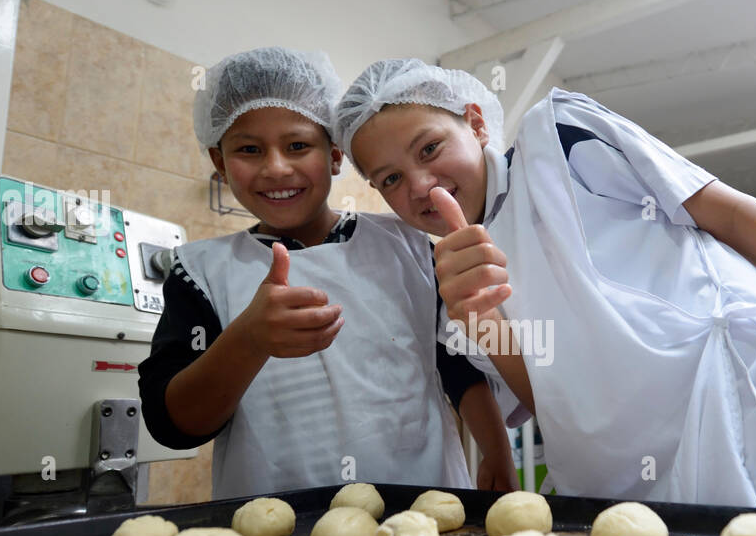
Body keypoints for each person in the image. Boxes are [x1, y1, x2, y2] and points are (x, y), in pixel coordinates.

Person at [332, 59, 756, 516]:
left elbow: (730, 213)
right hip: (645, 501)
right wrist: (482, 321)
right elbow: (553, 400)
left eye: (428, 149)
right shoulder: (450, 271)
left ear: (476, 124)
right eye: (389, 178)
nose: (418, 185)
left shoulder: (557, 143)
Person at [138, 48, 516, 500]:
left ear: (335, 156)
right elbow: (172, 426)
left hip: (424, 509)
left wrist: (496, 450)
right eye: (248, 150)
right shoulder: (200, 271)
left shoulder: (409, 246)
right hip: (278, 529)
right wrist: (248, 341)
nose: (276, 167)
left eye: (298, 145)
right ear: (220, 163)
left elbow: (457, 366)